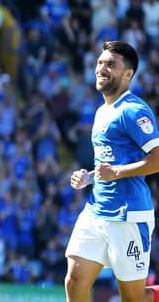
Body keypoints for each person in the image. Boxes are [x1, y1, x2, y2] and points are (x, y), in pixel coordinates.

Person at [65, 41, 159, 302]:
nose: (101, 68)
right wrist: (89, 177)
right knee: (74, 282)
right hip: (96, 210)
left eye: (110, 65)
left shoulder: (134, 110)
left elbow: (157, 159)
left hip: (128, 214)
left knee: (133, 298)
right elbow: (108, 163)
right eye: (99, 63)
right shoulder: (101, 111)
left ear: (127, 74)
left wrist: (116, 173)